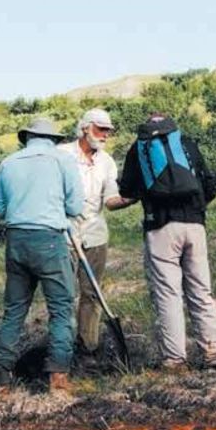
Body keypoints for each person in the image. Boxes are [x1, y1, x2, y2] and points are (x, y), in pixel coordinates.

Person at [117, 112, 216, 369]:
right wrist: (197, 209)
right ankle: (215, 352)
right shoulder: (186, 143)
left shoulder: (139, 147)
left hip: (161, 226)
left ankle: (175, 358)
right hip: (195, 226)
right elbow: (209, 185)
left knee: (168, 294)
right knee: (201, 290)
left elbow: (127, 190)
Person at [0, 115, 82, 393]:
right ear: (53, 139)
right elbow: (76, 205)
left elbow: (0, 207)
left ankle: (2, 377)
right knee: (61, 308)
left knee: (15, 309)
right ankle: (58, 376)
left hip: (16, 239)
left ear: (27, 137)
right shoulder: (63, 160)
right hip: (49, 239)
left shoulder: (8, 162)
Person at [58, 108, 132, 365]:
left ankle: (88, 349)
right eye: (101, 129)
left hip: (95, 236)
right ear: (85, 128)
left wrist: (132, 197)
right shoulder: (62, 155)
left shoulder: (107, 161)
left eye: (109, 130)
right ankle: (62, 349)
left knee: (92, 294)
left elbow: (110, 201)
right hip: (65, 235)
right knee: (64, 295)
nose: (106, 135)